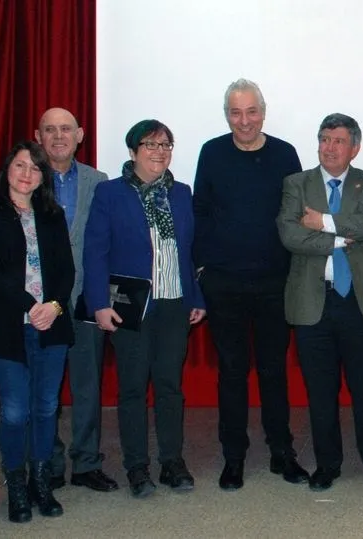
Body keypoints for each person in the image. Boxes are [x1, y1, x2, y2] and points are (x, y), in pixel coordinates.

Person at [193, 79, 307, 490]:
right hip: (225, 284)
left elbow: (296, 215)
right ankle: (234, 457)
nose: (244, 121)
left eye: (251, 111)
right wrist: (203, 268)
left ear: (263, 111)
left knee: (275, 371)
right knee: (232, 372)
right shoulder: (212, 152)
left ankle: (282, 453)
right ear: (228, 115)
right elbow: (200, 213)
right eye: (236, 113)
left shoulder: (284, 154)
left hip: (276, 283)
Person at [83, 119, 206, 498]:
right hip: (130, 307)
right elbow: (95, 252)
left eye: (165, 145)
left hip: (173, 304)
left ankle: (172, 462)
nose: (159, 152)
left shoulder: (182, 193)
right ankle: (137, 467)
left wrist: (196, 298)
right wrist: (99, 305)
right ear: (133, 151)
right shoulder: (110, 194)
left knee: (170, 386)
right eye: (150, 145)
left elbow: (188, 253)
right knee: (133, 388)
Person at [276, 113, 363, 492]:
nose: (329, 147)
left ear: (354, 147)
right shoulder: (297, 183)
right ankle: (327, 464)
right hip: (314, 303)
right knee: (321, 392)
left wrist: (324, 222)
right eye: (324, 139)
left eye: (338, 140)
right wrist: (341, 238)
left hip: (359, 302)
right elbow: (290, 233)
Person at [0, 141, 74, 522]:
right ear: (7, 169)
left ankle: (41, 483)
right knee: (15, 411)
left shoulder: (52, 215)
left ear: (43, 176)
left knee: (46, 408)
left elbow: (66, 271)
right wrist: (32, 306)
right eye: (20, 165)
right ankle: (16, 485)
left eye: (35, 168)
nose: (27, 173)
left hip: (51, 325)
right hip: (6, 326)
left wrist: (55, 307)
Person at [33, 107, 117, 493]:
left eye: (66, 129)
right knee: (44, 388)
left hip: (85, 298)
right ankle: (47, 463)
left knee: (87, 387)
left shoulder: (99, 182)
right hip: (39, 304)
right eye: (50, 130)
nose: (58, 136)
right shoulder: (26, 178)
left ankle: (86, 463)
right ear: (39, 137)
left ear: (80, 135)